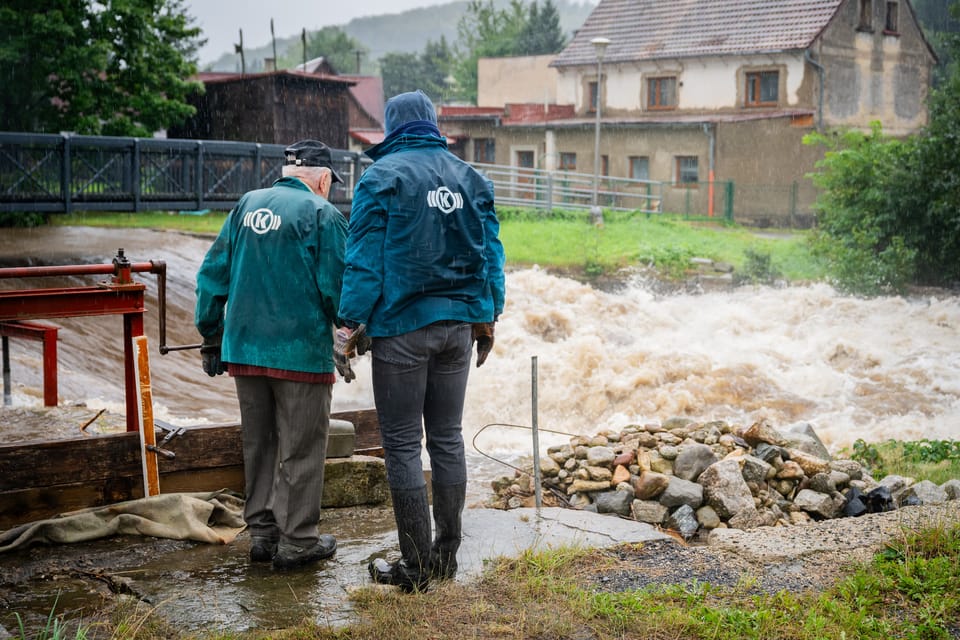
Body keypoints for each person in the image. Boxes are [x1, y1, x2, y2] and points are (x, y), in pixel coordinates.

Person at [336, 90, 506, 592]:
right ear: (433, 125)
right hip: (459, 328)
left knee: (405, 444)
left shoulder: (382, 178)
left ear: (392, 129)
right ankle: (445, 558)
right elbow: (491, 254)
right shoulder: (473, 178)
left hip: (402, 329)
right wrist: (489, 317)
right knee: (448, 438)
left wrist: (347, 326)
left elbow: (364, 262)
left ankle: (414, 567)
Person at [195, 139, 349, 570]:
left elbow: (212, 276)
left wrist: (211, 335)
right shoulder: (323, 214)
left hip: (244, 350)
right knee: (301, 447)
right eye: (329, 183)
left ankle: (262, 534)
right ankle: (298, 541)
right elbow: (337, 290)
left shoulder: (246, 205)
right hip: (299, 354)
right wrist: (351, 337)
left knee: (259, 443)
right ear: (322, 179)